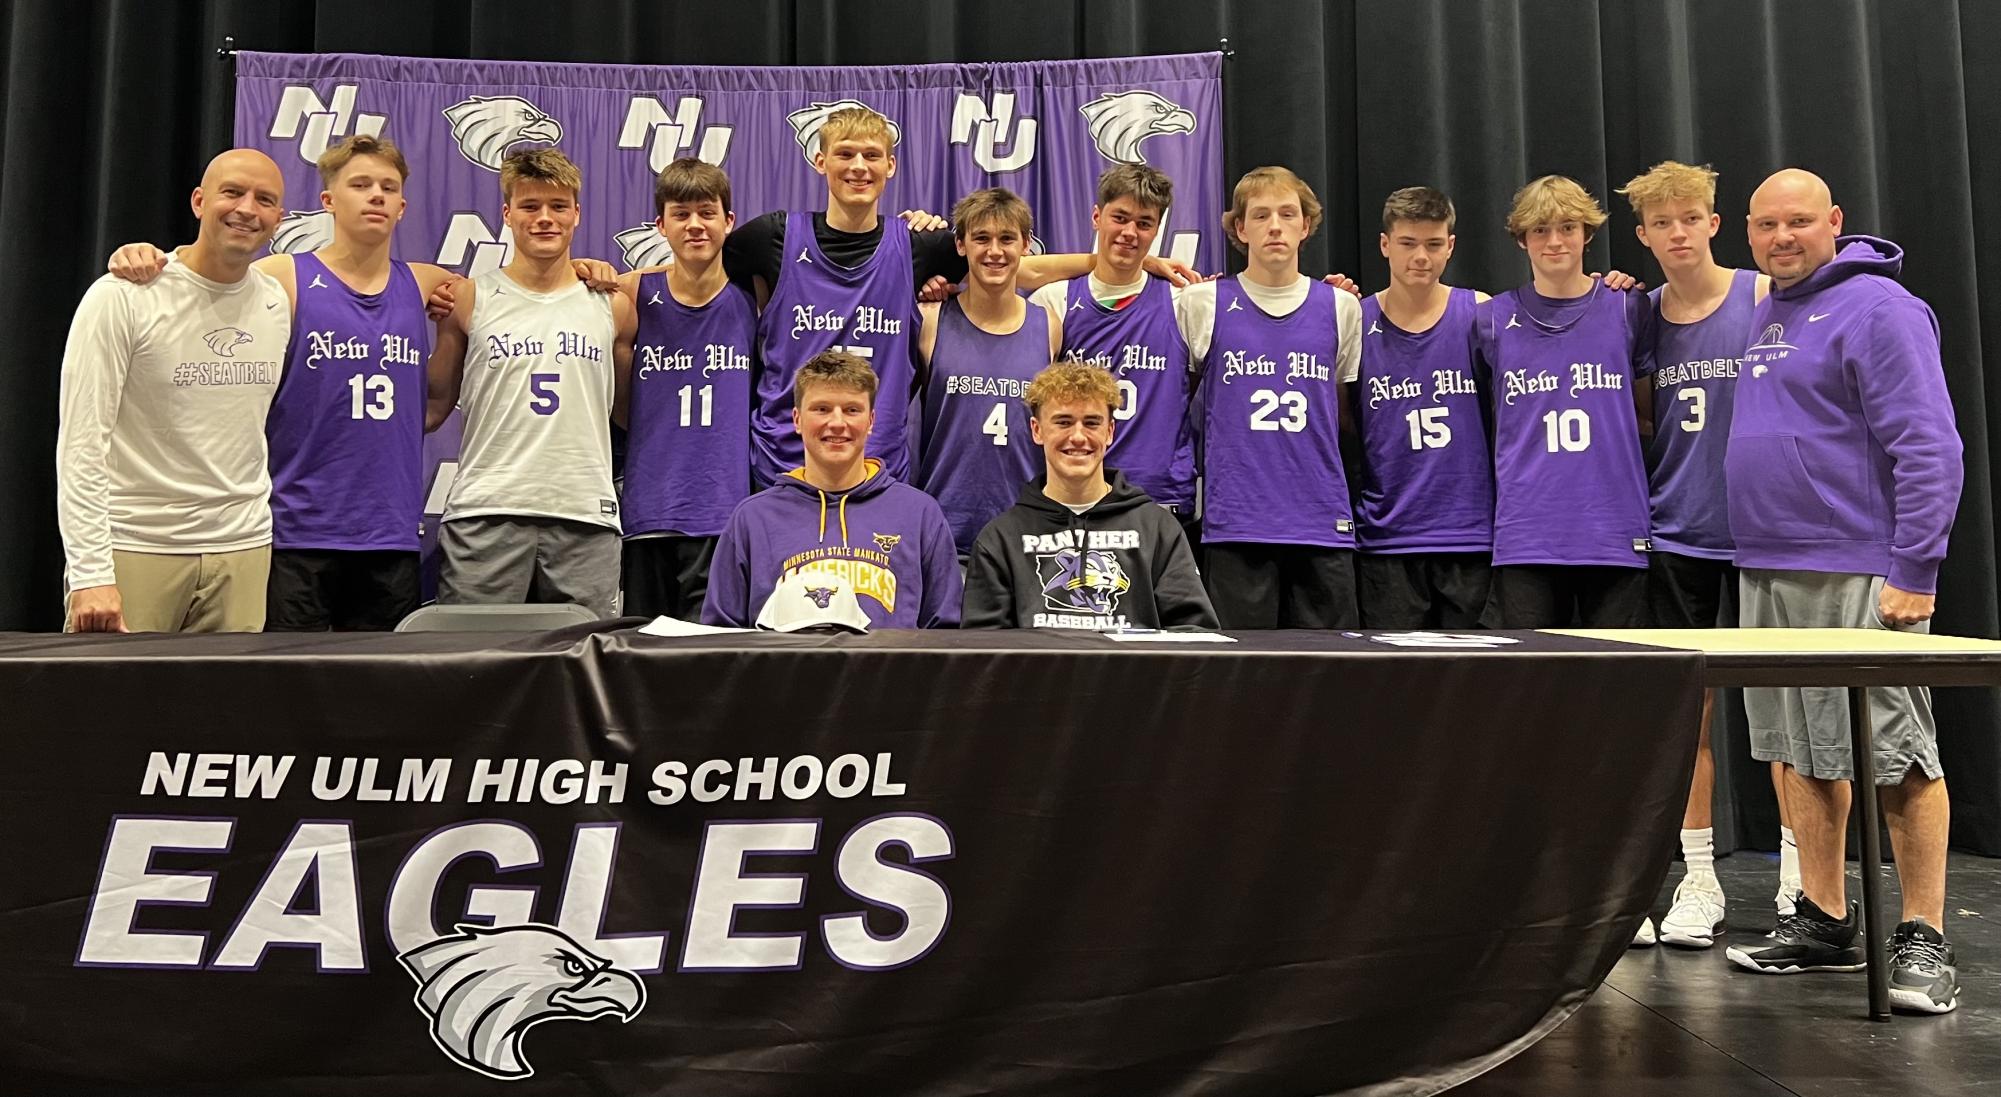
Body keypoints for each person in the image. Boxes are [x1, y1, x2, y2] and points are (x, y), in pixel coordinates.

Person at [1722, 169, 1964, 1015]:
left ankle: (1925, 938)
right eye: (1764, 225)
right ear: (1746, 233)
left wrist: (1913, 569)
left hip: (1858, 566)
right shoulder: (1767, 308)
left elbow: (1930, 443)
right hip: (1768, 563)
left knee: (1895, 753)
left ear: (1833, 221)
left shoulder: (1879, 307)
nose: (1780, 236)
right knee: (1797, 749)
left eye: (1797, 221)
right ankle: (1824, 918)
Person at [724, 105, 1193, 486]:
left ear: (891, 165)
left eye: (872, 155)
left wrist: (1130, 263)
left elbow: (1013, 268)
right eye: (845, 154)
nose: (859, 167)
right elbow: (698, 267)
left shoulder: (918, 244)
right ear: (820, 160)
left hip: (877, 467)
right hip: (784, 463)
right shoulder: (772, 237)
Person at [1618, 159, 1796, 950]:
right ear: (1644, 233)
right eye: (1662, 222)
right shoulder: (1642, 313)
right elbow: (1642, 414)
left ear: (1713, 223)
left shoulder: (1762, 296)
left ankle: (1803, 881)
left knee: (1792, 718)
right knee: (1682, 719)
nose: (1678, 232)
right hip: (1677, 529)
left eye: (1690, 217)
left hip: (1766, 536)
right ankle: (1698, 878)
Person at [57, 149, 290, 633]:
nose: (247, 208)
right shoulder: (123, 295)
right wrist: (90, 572)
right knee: (108, 708)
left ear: (279, 218)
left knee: (225, 710)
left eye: (264, 200)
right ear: (199, 201)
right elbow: (81, 444)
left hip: (242, 550)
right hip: (137, 547)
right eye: (233, 192)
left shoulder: (274, 301)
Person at [425, 148, 637, 619]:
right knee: (475, 669)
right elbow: (433, 407)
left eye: (558, 206)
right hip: (486, 512)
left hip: (585, 514)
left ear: (577, 214)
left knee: (586, 673)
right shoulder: (468, 298)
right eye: (530, 206)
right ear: (507, 214)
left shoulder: (613, 304)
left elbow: (626, 412)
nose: (545, 219)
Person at [1175, 166, 1363, 628]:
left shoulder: (1341, 306)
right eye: (1260, 215)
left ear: (1306, 224)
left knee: (1331, 675)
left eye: (1287, 213)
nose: (1275, 226)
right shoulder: (1201, 303)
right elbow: (1183, 403)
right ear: (1240, 228)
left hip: (1320, 521)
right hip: (1236, 521)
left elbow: (1342, 416)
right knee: (1240, 679)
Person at [1476, 175, 1654, 630]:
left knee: (1617, 684)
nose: (1554, 241)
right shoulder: (1491, 319)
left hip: (1613, 530)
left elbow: (1646, 414)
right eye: (1540, 230)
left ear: (1587, 234)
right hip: (1527, 533)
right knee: (1529, 689)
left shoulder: (1627, 305)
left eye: (1568, 228)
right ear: (1522, 240)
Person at [703, 351, 960, 630]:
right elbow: (720, 637)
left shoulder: (919, 514)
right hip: (783, 674)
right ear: (797, 419)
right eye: (822, 409)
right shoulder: (752, 519)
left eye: (852, 410)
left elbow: (945, 634)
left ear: (871, 420)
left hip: (888, 675)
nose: (837, 423)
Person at [963, 361, 1215, 630]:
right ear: (1037, 430)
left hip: (1138, 674)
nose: (1078, 437)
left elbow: (1195, 635)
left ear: (1109, 432)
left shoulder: (1158, 530)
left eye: (1092, 423)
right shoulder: (1000, 539)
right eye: (1063, 422)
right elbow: (983, 650)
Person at [617, 158, 758, 620]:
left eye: (707, 212)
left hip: (723, 515)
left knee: (710, 669)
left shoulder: (756, 295)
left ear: (728, 221)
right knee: (640, 665)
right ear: (660, 225)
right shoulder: (631, 295)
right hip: (648, 513)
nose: (695, 225)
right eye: (681, 214)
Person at [1348, 186, 1494, 629]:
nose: (1421, 258)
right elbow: (1342, 417)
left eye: (1433, 245)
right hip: (1388, 536)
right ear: (1385, 245)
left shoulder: (1480, 313)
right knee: (1397, 689)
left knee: (1473, 686)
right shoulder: (1354, 319)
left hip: (1468, 535)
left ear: (1450, 246)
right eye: (1408, 244)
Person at [1027, 165, 1199, 532]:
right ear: (1096, 217)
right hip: (1076, 498)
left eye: (1144, 223)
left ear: (1157, 229)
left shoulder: (1183, 304)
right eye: (1119, 218)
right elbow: (1003, 271)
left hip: (1159, 498)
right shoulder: (1054, 301)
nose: (1129, 232)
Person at [915, 188, 1061, 555]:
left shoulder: (1049, 326)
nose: (994, 251)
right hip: (944, 530)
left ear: (1026, 245)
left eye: (1007, 239)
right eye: (981, 238)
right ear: (961, 245)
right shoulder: (930, 321)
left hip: (1026, 534)